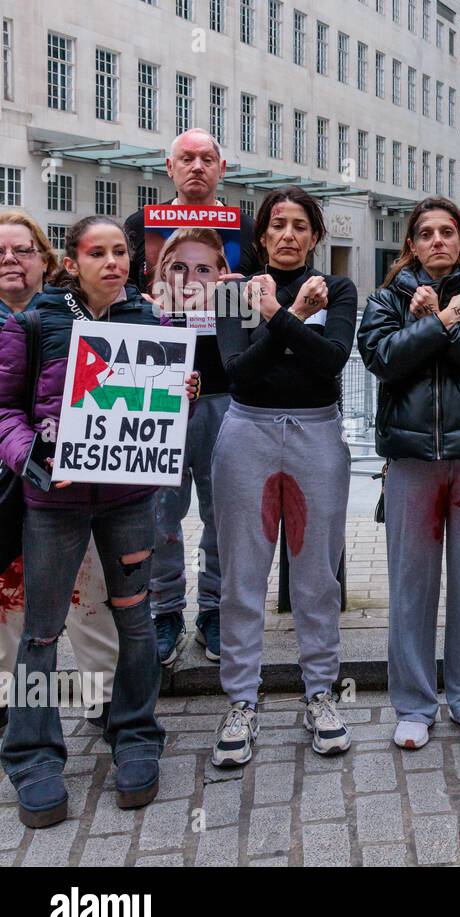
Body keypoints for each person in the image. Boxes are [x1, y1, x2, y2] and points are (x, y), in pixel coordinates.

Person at [0, 215, 198, 828]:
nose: (112, 262)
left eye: (120, 252)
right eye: (97, 252)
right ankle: (32, 756)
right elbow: (4, 410)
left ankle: (135, 736)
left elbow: (157, 411)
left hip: (128, 501)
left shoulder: (150, 321)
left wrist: (179, 394)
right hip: (53, 505)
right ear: (73, 260)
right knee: (40, 632)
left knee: (135, 621)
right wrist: (31, 455)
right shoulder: (36, 322)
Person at [358, 197, 460, 747]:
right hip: (410, 459)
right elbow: (383, 360)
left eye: (448, 231)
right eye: (426, 233)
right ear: (412, 245)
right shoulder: (386, 299)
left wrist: (443, 328)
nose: (438, 241)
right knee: (411, 585)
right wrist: (440, 322)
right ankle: (414, 704)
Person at [210, 187, 357, 767]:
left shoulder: (337, 289)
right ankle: (241, 700)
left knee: (317, 571)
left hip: (317, 433)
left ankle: (321, 691)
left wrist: (275, 318)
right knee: (242, 571)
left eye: (301, 225)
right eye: (278, 225)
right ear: (261, 235)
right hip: (247, 430)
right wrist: (290, 318)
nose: (289, 235)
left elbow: (331, 361)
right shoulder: (233, 292)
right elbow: (240, 373)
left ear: (316, 236)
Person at [124, 128, 259, 667]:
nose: (197, 166)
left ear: (221, 169)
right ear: (169, 166)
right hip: (157, 386)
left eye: (207, 158)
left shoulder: (247, 228)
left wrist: (244, 292)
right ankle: (164, 612)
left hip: (226, 387)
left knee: (225, 510)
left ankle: (214, 610)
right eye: (187, 158)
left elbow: (260, 305)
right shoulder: (140, 226)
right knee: (159, 512)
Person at [0, 211, 117, 735]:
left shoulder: (82, 317)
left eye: (22, 250)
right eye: (0, 253)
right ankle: (10, 700)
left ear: (46, 262)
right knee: (10, 602)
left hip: (74, 483)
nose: (11, 260)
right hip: (9, 483)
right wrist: (27, 457)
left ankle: (104, 696)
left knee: (88, 594)